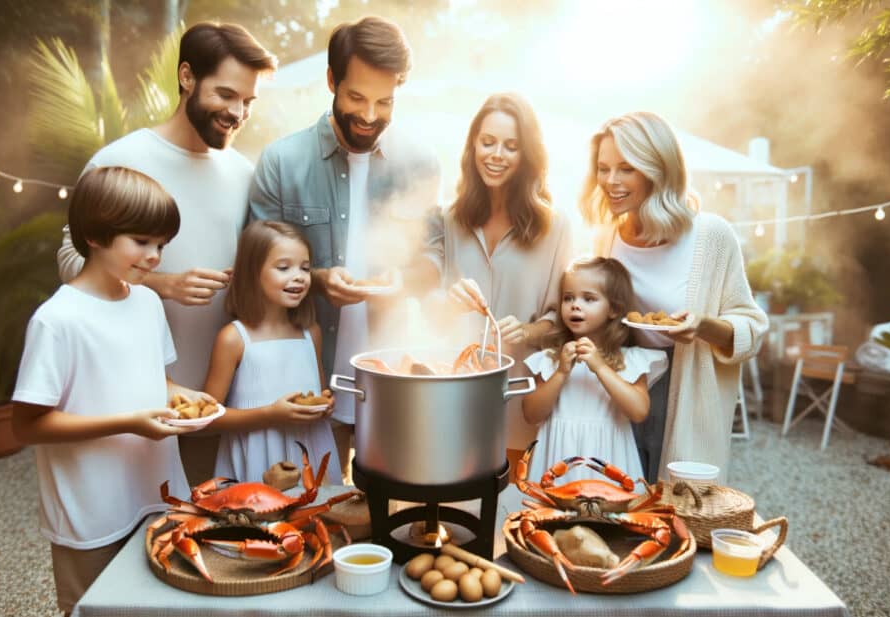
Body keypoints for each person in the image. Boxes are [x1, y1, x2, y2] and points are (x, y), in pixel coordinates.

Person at [56, 23, 277, 484]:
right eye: (226, 95)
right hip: (132, 399)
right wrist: (162, 285)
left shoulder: (242, 172)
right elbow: (70, 261)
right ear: (186, 77)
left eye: (248, 102)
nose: (237, 113)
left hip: (217, 403)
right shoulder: (121, 160)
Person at [12, 167, 215, 616]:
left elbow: (155, 381)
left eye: (161, 244)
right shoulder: (57, 320)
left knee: (163, 606)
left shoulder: (146, 302)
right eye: (141, 242)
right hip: (90, 511)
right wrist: (130, 424)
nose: (155, 256)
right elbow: (27, 425)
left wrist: (193, 399)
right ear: (96, 235)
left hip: (157, 495)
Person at [249, 15, 439, 477]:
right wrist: (316, 281)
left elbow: (436, 258)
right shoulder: (281, 161)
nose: (370, 116)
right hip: (308, 379)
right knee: (317, 508)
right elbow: (254, 267)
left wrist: (403, 280)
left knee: (392, 512)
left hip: (392, 374)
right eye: (356, 97)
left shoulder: (419, 163)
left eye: (385, 101)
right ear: (332, 80)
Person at [580, 111, 768, 483]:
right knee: (615, 503)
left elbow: (753, 328)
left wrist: (702, 326)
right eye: (603, 169)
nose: (610, 181)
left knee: (677, 511)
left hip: (683, 388)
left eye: (625, 168)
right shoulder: (607, 238)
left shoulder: (711, 236)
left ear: (657, 169)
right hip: (622, 383)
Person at [415, 92, 573, 467]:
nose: (496, 155)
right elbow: (431, 315)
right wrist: (447, 302)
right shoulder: (450, 219)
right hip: (455, 398)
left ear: (527, 156)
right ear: (472, 146)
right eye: (487, 142)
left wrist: (529, 331)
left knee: (509, 512)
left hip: (521, 400)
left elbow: (565, 321)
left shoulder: (555, 226)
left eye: (511, 146)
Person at [201, 221, 342, 484]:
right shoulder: (234, 338)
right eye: (283, 267)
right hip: (257, 458)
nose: (299, 276)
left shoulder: (311, 333)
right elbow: (208, 418)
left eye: (305, 267)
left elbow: (317, 393)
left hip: (310, 455)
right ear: (252, 273)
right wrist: (270, 414)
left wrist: (325, 405)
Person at [520, 257, 668, 485]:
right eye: (568, 298)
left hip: (609, 464)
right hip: (557, 463)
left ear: (614, 309)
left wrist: (600, 367)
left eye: (589, 298)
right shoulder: (550, 359)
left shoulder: (630, 360)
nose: (575, 305)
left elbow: (638, 411)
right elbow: (531, 414)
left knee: (609, 520)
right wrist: (560, 373)